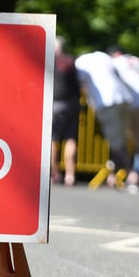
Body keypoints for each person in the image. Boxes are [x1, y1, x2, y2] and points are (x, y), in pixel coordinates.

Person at [75, 51, 139, 191]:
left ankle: (132, 174)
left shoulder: (80, 62)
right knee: (120, 139)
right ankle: (113, 176)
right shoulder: (102, 56)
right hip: (123, 98)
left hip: (106, 102)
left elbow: (80, 84)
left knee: (116, 142)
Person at [108, 45, 139, 188]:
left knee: (119, 139)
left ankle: (126, 175)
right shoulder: (137, 60)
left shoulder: (115, 62)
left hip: (131, 105)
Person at [51, 36, 80, 186]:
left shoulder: (48, 59)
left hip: (54, 103)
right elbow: (77, 84)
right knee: (71, 139)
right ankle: (70, 175)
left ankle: (54, 174)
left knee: (53, 139)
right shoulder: (70, 61)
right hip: (71, 103)